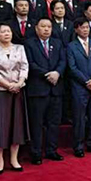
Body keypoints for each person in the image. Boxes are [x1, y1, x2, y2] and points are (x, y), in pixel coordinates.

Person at [0, 23, 29, 173]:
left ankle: (14, 159)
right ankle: (0, 161)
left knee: (16, 125)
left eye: (8, 31)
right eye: (3, 31)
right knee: (0, 126)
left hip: (18, 90)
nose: (6, 34)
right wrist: (8, 85)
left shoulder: (20, 48)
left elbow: (24, 67)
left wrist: (19, 83)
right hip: (0, 92)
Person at [24, 18, 66, 165]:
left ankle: (51, 150)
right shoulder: (29, 43)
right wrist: (47, 74)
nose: (46, 29)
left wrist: (57, 73)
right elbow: (30, 63)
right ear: (36, 28)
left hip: (56, 89)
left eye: (49, 26)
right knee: (37, 123)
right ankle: (36, 153)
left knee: (54, 122)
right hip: (38, 89)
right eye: (43, 26)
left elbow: (63, 61)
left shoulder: (57, 43)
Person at [67, 18, 91, 157]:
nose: (85, 30)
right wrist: (87, 82)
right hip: (79, 86)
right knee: (79, 117)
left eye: (87, 27)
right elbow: (72, 67)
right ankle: (78, 146)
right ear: (76, 29)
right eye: (82, 27)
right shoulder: (71, 46)